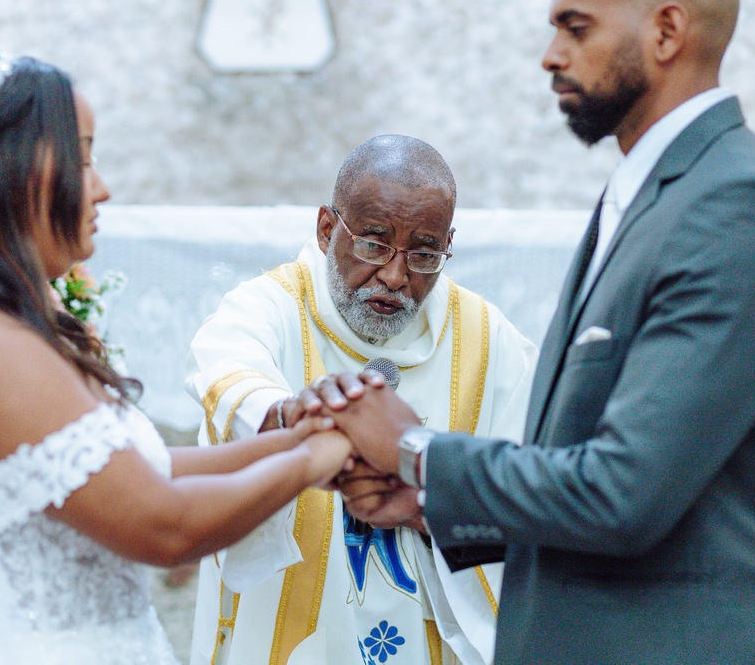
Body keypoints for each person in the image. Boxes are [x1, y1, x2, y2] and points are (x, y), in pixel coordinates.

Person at [309, 0, 755, 664]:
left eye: (575, 28)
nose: (551, 56)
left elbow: (624, 492)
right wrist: (430, 504)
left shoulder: (736, 204)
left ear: (666, 31)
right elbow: (599, 474)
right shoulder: (653, 191)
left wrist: (418, 451)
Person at [0, 50, 353, 665]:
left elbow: (139, 471)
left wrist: (298, 438)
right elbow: (161, 523)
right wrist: (320, 457)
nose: (101, 187)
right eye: (82, 159)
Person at [185, 135, 537, 665]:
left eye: (424, 255)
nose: (395, 277)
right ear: (328, 229)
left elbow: (531, 484)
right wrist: (301, 419)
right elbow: (228, 378)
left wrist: (426, 504)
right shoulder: (270, 307)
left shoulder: (488, 341)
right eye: (374, 244)